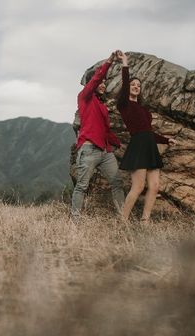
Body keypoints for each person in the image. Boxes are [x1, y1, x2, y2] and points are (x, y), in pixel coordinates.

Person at [116, 50, 176, 223]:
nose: (136, 86)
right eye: (133, 84)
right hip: (138, 147)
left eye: (138, 86)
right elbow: (125, 83)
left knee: (155, 186)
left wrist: (166, 140)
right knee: (138, 186)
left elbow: (147, 131)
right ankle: (122, 221)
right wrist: (125, 62)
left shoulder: (142, 109)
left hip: (150, 145)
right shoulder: (124, 104)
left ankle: (145, 221)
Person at [71, 51, 125, 221]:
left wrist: (118, 144)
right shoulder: (85, 97)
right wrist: (109, 61)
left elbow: (106, 131)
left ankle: (123, 218)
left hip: (105, 152)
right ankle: (75, 220)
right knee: (82, 186)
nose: (103, 85)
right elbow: (95, 80)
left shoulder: (101, 106)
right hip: (88, 149)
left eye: (104, 83)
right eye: (101, 82)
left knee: (117, 182)